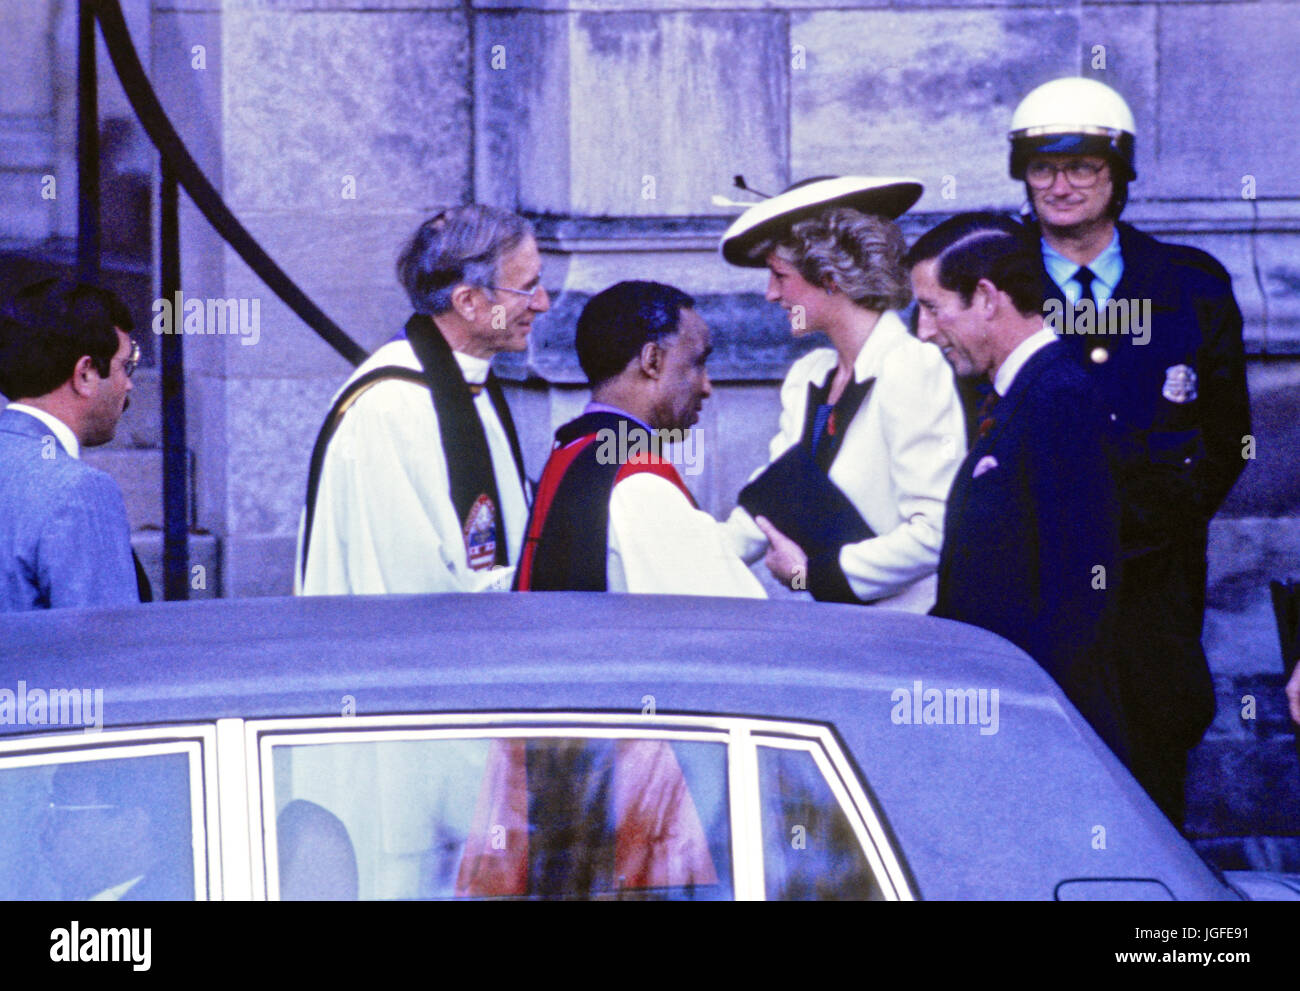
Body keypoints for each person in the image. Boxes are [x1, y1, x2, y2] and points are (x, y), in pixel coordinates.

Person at [1009, 77, 1251, 825]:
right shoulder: (993, 278)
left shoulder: (1188, 285)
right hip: (1033, 584)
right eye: (1043, 167)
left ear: (1118, 176)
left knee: (1150, 789)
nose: (1060, 186)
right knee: (1032, 785)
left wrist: (1153, 526)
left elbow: (1227, 438)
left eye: (1082, 167)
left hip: (1152, 599)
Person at [907, 212, 1128, 759]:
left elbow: (1079, 594)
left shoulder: (1058, 398)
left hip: (1035, 735)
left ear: (986, 298)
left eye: (933, 308)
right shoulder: (1023, 395)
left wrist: (1025, 728)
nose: (924, 330)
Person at [717, 176, 966, 609]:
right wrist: (684, 558)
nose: (771, 294)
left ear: (830, 278)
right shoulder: (809, 376)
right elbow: (773, 498)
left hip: (906, 627)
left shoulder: (910, 366)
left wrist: (814, 576)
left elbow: (935, 532)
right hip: (835, 625)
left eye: (780, 276)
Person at [297, 205, 546, 595]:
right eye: (526, 289)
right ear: (468, 302)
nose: (542, 303)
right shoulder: (387, 409)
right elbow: (406, 590)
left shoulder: (474, 379)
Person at [514, 280, 762, 597]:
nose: (706, 386)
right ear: (652, 360)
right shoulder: (639, 480)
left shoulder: (573, 448)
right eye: (697, 363)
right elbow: (721, 611)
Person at [0, 279, 145, 611]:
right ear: (85, 374)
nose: (128, 385)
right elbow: (108, 638)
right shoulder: (79, 490)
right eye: (125, 366)